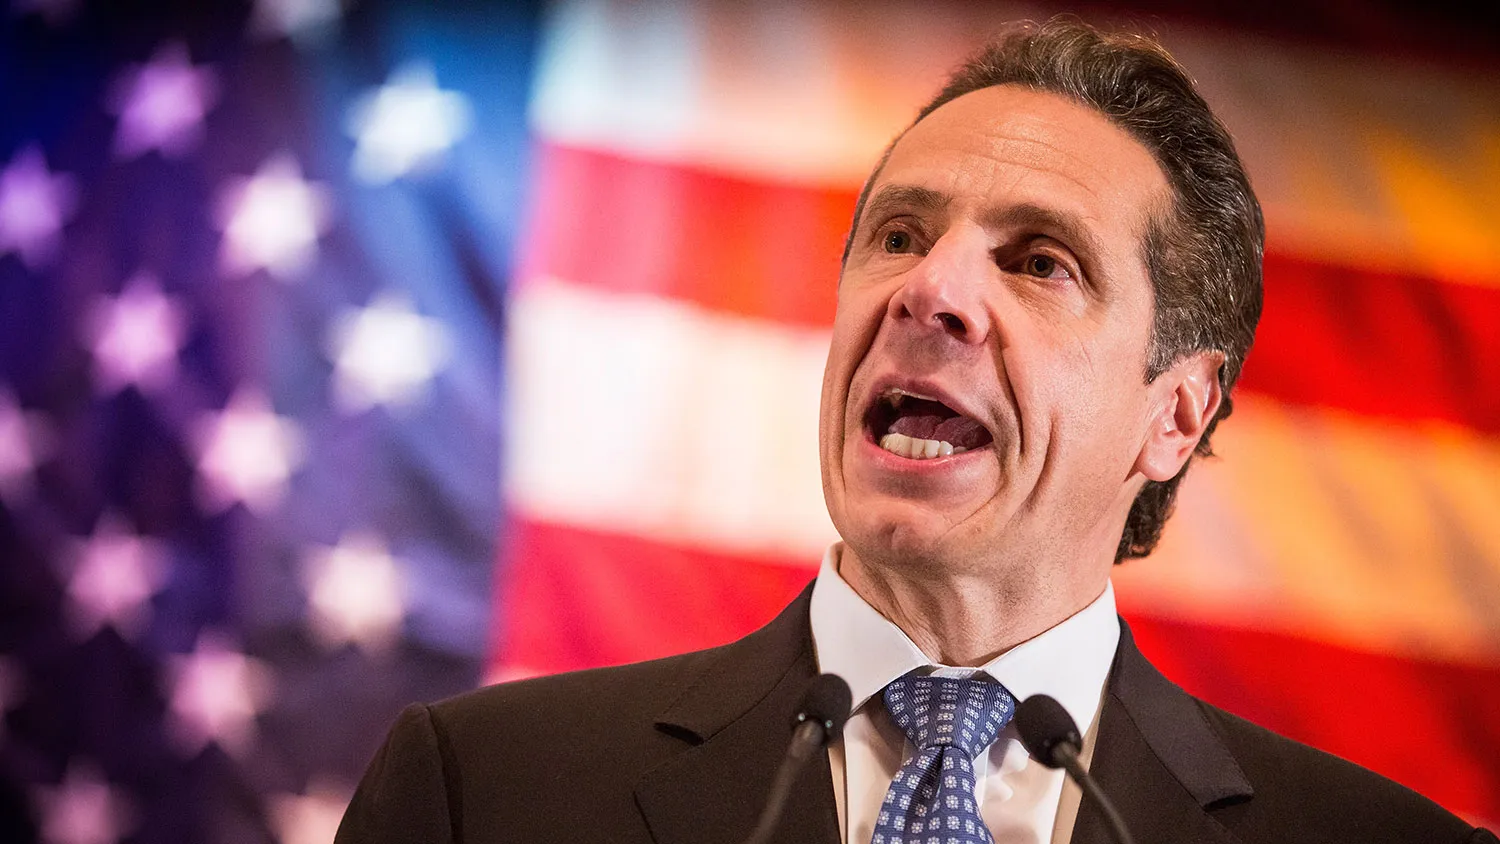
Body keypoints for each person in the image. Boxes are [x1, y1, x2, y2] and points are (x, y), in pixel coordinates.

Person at [335, 19, 1496, 844]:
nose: (930, 290)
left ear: (1176, 413)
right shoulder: (485, 793)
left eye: (1039, 260)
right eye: (899, 233)